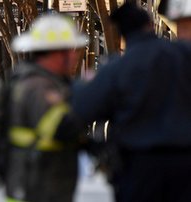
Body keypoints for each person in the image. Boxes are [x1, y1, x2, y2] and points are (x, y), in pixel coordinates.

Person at [72, 3, 191, 202]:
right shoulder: (183, 55)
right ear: (151, 25)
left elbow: (83, 109)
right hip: (185, 162)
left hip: (139, 166)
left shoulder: (117, 68)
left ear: (122, 32)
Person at [5, 14, 87, 202]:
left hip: (36, 185)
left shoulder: (34, 81)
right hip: (37, 187)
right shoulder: (39, 87)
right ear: (57, 53)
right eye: (70, 50)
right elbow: (61, 127)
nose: (75, 55)